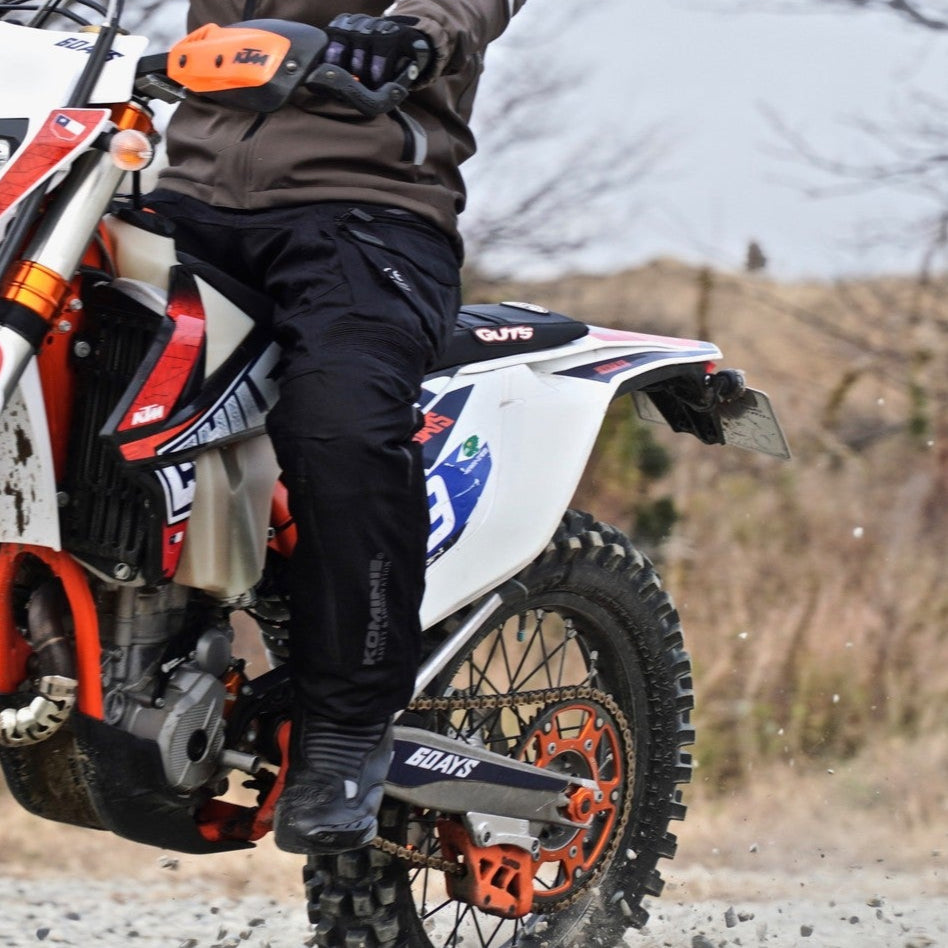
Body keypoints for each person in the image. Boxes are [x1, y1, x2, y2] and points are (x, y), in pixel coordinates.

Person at [145, 0, 525, 855]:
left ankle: (348, 724)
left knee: (339, 424)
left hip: (367, 208)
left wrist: (421, 29)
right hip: (184, 193)